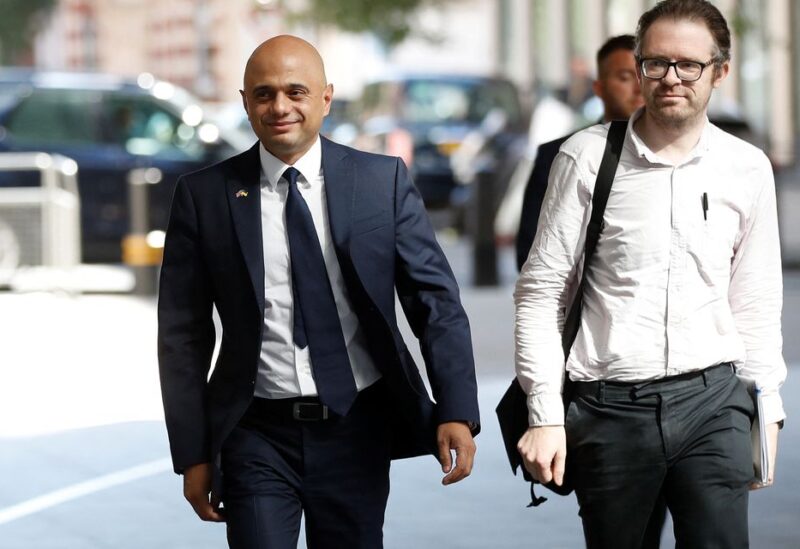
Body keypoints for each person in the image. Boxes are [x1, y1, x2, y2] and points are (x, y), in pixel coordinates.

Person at [157, 35, 480, 549]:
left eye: (295, 91)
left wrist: (457, 409)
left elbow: (434, 301)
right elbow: (182, 335)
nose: (279, 107)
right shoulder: (204, 197)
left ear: (325, 98)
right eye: (263, 94)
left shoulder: (381, 182)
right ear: (244, 102)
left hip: (356, 426)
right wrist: (194, 454)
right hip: (255, 431)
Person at [514, 1, 786, 547]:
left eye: (689, 65)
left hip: (714, 401)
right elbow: (542, 293)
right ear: (639, 68)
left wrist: (768, 407)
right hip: (609, 408)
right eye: (656, 63)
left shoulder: (746, 166)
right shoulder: (586, 158)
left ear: (719, 72)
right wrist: (544, 413)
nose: (671, 78)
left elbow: (754, 298)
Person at [516, 34, 644, 270]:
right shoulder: (560, 154)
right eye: (625, 77)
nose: (639, 88)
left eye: (645, 76)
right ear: (599, 88)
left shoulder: (679, 155)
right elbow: (530, 251)